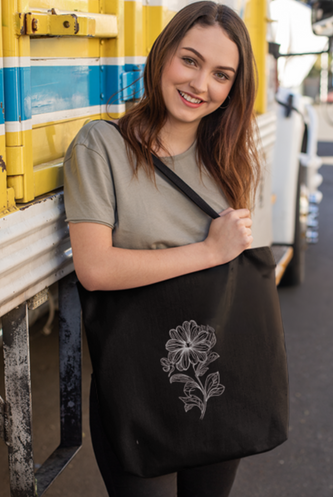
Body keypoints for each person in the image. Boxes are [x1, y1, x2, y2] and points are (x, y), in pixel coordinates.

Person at [64, 2, 262, 495]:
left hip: (215, 379)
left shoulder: (228, 157)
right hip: (136, 382)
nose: (201, 85)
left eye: (221, 74)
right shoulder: (101, 146)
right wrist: (210, 251)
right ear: (162, 56)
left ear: (233, 87)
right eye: (189, 61)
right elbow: (94, 268)